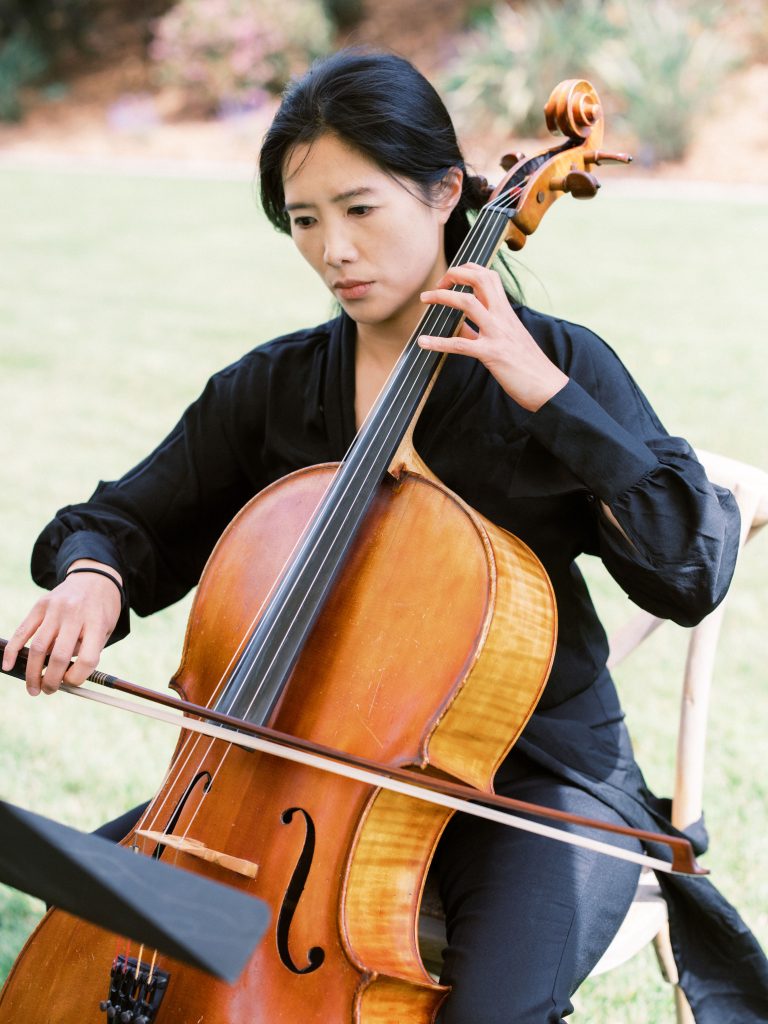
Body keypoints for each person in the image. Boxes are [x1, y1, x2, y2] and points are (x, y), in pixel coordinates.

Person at [3, 48, 766, 1024]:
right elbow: (124, 519)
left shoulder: (557, 365)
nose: (334, 251)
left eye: (360, 209)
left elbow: (689, 566)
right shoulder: (278, 388)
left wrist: (542, 391)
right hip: (289, 775)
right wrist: (93, 580)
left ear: (447, 191)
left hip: (533, 785)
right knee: (95, 917)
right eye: (306, 219)